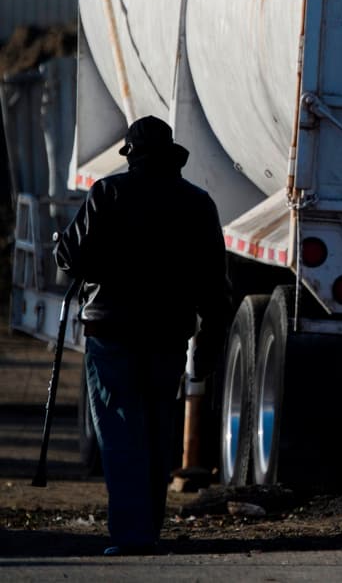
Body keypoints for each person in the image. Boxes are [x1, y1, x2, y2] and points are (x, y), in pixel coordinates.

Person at [53, 116, 230, 556]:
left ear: (131, 155)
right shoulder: (198, 204)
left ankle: (132, 536)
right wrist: (207, 346)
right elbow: (214, 287)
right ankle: (148, 530)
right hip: (167, 337)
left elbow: (69, 257)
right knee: (155, 433)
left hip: (110, 333)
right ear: (172, 155)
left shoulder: (107, 194)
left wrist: (67, 244)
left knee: (120, 434)